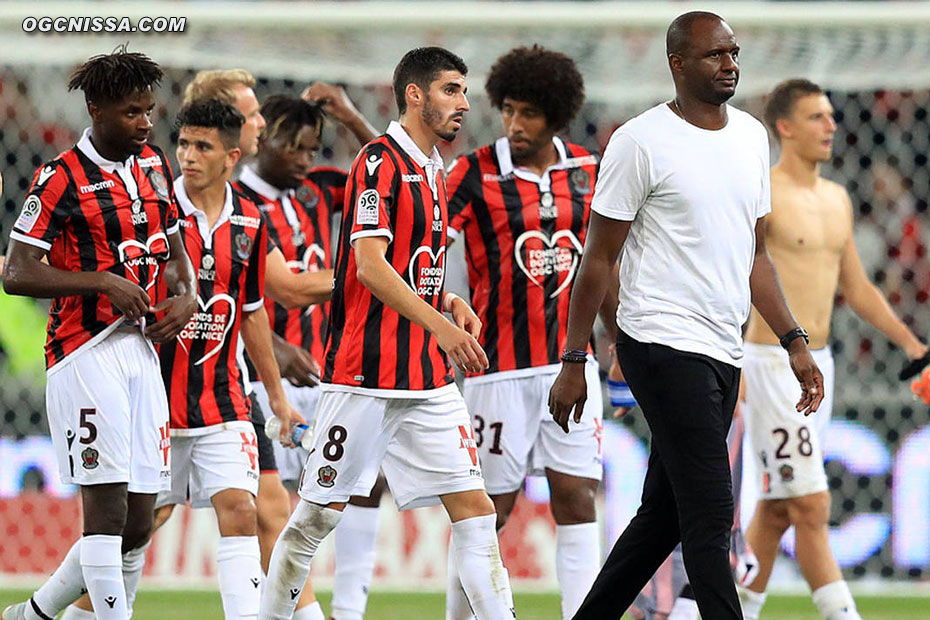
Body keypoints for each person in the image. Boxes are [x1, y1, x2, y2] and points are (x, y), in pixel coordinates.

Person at [547, 12, 825, 620]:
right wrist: (575, 357)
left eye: (734, 52)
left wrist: (794, 341)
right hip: (660, 342)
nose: (730, 64)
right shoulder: (640, 142)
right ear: (677, 64)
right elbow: (597, 260)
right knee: (710, 512)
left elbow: (754, 254)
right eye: (714, 55)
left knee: (663, 518)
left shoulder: (751, 136)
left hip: (723, 348)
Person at [259, 47, 515, 620]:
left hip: (426, 381)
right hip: (366, 375)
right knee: (313, 521)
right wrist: (442, 326)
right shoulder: (378, 162)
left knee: (475, 510)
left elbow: (415, 263)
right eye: (451, 89)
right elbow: (370, 266)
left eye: (465, 91)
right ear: (415, 94)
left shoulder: (434, 168)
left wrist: (448, 299)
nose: (464, 103)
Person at [1, 49, 197, 620]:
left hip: (141, 350)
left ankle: (32, 615)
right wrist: (102, 283)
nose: (145, 122)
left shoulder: (155, 164)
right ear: (96, 109)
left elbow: (178, 249)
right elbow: (16, 272)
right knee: (106, 517)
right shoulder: (59, 177)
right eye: (132, 112)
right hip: (83, 352)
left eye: (150, 111)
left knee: (138, 520)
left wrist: (184, 298)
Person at [737, 78, 928, 620]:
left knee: (778, 510)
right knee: (812, 505)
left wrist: (914, 345)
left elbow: (858, 287)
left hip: (821, 363)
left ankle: (736, 610)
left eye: (831, 115)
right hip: (773, 362)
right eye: (817, 117)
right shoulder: (763, 194)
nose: (831, 125)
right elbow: (734, 275)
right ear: (785, 128)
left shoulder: (837, 198)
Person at [443, 45, 609, 620]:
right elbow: (424, 228)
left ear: (557, 114)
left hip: (571, 364)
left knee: (576, 496)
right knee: (488, 509)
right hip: (499, 370)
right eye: (509, 110)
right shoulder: (473, 172)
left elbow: (603, 264)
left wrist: (615, 339)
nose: (515, 124)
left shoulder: (588, 171)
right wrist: (443, 303)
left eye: (529, 113)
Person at [234, 94, 384, 620]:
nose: (303, 159)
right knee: (262, 507)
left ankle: (346, 611)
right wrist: (373, 274)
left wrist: (347, 116)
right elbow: (250, 294)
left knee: (361, 488)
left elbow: (393, 172)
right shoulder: (236, 203)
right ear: (260, 142)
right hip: (259, 376)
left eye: (312, 149)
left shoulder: (319, 190)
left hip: (326, 371)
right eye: (292, 147)